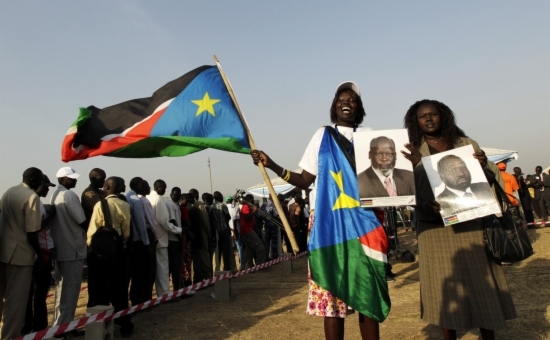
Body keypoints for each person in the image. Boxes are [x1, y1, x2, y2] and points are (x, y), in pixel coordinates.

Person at [251, 81, 382, 340]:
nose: (346, 102)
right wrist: (273, 164)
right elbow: (305, 180)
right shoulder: (322, 135)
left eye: (352, 99)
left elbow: (381, 179)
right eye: (340, 99)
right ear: (334, 106)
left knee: (367, 292)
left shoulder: (370, 134)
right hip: (327, 225)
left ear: (359, 107)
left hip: (364, 223)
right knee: (331, 297)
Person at [402, 99, 516, 340]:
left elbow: (491, 178)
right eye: (424, 116)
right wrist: (422, 203)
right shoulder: (410, 150)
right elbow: (403, 189)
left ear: (443, 116)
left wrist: (484, 166)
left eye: (433, 114)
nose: (429, 119)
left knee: (482, 285)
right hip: (435, 231)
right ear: (416, 121)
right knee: (446, 288)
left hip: (472, 225)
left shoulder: (466, 144)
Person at [86, 176, 133, 337]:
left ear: (106, 187)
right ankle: (123, 322)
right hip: (119, 252)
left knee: (98, 291)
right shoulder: (125, 205)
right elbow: (127, 231)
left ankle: (98, 326)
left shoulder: (101, 204)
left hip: (101, 254)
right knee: (120, 291)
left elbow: (92, 231)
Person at [0, 168, 43, 339]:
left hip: (3, 250)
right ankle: (9, 336)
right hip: (21, 254)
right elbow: (32, 232)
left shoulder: (9, 192)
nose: (41, 184)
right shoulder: (32, 197)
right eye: (39, 180)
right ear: (33, 179)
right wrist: (39, 255)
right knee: (15, 303)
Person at [49, 167, 87, 327]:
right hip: (73, 248)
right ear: (63, 179)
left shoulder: (55, 195)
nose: (75, 180)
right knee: (70, 291)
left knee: (62, 290)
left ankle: (60, 325)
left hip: (62, 247)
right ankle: (63, 327)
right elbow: (81, 220)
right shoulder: (68, 195)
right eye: (71, 178)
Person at [23, 175, 56, 334]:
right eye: (45, 186)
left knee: (38, 294)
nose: (48, 189)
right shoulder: (34, 201)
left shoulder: (38, 202)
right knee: (39, 293)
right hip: (41, 251)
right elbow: (34, 229)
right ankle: (39, 328)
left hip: (41, 250)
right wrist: (50, 216)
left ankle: (34, 327)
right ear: (36, 185)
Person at [147, 180, 182, 297]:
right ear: (158, 187)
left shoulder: (148, 197)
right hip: (161, 239)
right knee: (163, 269)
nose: (165, 191)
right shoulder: (158, 199)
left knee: (155, 269)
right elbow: (163, 220)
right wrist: (178, 230)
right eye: (164, 188)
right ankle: (164, 294)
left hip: (152, 238)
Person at [126, 177, 152, 306]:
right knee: (139, 273)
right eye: (142, 185)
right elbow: (141, 224)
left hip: (132, 241)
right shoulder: (136, 201)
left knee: (135, 273)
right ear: (135, 185)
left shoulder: (128, 198)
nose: (144, 188)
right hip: (138, 242)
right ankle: (137, 301)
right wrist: (147, 243)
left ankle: (136, 300)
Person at [137, 180, 157, 302]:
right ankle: (147, 298)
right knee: (150, 269)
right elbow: (151, 220)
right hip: (148, 234)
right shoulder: (144, 201)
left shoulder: (133, 199)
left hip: (139, 237)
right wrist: (156, 236)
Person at [188, 189, 213, 279]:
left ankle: (199, 278)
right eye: (197, 194)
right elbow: (205, 221)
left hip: (192, 237)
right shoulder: (199, 204)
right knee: (204, 258)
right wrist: (209, 234)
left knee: (197, 259)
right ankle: (207, 276)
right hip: (201, 236)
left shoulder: (187, 205)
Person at [239, 194, 267, 268]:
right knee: (261, 247)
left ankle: (247, 266)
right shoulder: (246, 206)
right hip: (247, 230)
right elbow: (247, 217)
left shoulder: (246, 206)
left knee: (249, 250)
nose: (253, 201)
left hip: (246, 230)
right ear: (250, 199)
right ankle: (261, 264)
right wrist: (254, 211)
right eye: (252, 199)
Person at [209, 191, 233, 271]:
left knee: (217, 253)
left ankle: (218, 271)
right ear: (219, 197)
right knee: (226, 252)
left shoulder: (211, 206)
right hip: (223, 231)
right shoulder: (222, 206)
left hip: (216, 233)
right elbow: (228, 217)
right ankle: (226, 269)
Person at [166, 187, 183, 294]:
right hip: (172, 239)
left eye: (178, 195)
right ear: (171, 194)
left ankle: (178, 288)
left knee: (177, 266)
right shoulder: (170, 204)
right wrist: (179, 237)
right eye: (174, 195)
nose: (176, 197)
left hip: (177, 238)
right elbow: (172, 221)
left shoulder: (177, 205)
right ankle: (176, 290)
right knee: (174, 266)